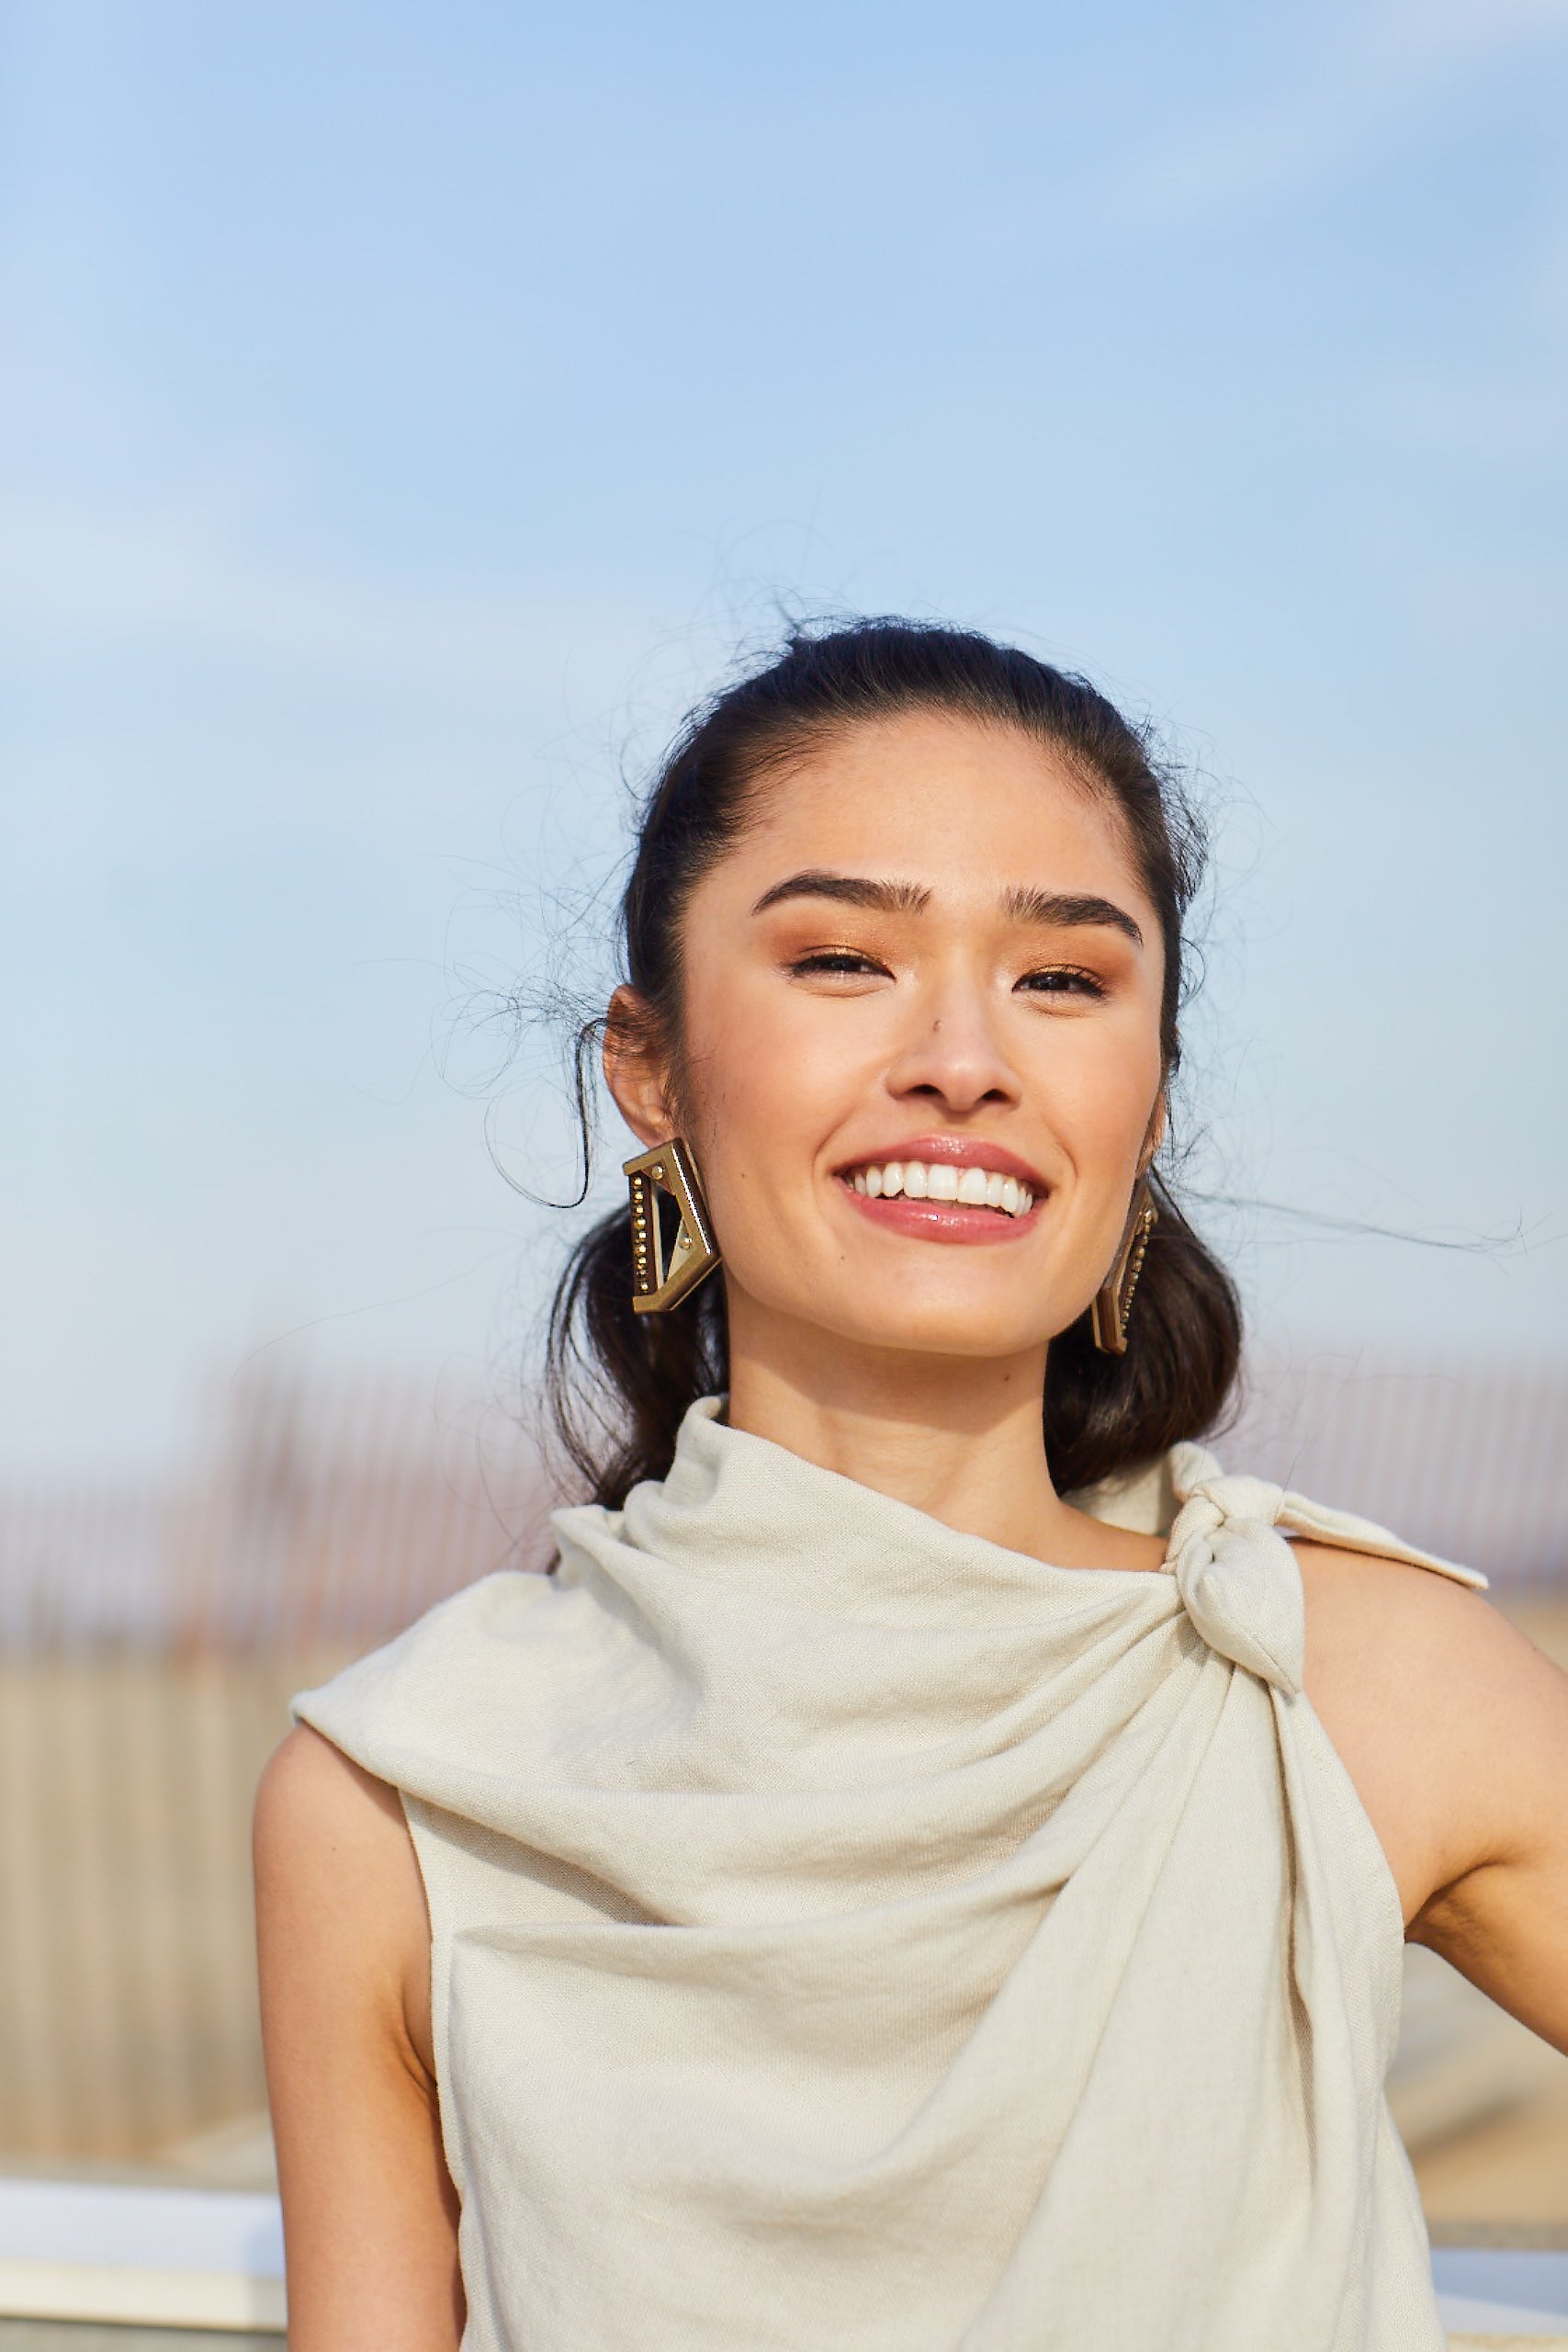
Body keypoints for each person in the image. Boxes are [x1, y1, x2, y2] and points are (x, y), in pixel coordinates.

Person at [254, 619, 1568, 2352]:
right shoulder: (398, 1799)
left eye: (1064, 981)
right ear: (649, 1071)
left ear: (1150, 1092)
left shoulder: (1358, 1693)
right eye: (843, 960)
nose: (965, 1056)